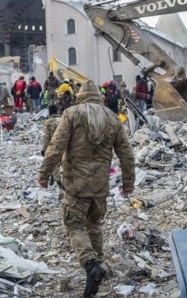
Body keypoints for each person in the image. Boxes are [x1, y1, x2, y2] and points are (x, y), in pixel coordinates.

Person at [38, 79, 135, 298]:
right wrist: (128, 181)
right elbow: (126, 153)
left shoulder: (71, 114)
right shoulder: (112, 118)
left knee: (74, 225)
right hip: (100, 185)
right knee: (95, 225)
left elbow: (56, 146)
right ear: (99, 97)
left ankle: (91, 264)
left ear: (80, 96)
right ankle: (97, 270)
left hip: (76, 184)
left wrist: (44, 173)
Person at [41, 104, 64, 199]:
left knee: (54, 164)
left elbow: (46, 136)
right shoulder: (63, 120)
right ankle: (57, 179)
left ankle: (59, 183)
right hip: (64, 145)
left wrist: (44, 149)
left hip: (53, 145)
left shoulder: (48, 122)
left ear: (50, 112)